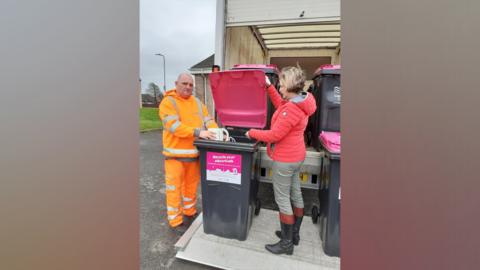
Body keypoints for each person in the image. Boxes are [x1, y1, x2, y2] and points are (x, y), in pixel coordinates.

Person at [246, 66, 316, 255]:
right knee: (295, 193)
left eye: (282, 85)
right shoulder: (300, 101)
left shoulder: (292, 109)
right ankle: (294, 235)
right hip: (296, 156)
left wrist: (251, 132)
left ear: (291, 87)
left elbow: (275, 135)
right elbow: (281, 105)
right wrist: (269, 87)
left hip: (285, 160)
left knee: (283, 199)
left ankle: (286, 245)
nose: (280, 87)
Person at [159, 72, 218, 233]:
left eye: (191, 84)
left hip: (193, 156)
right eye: (184, 83)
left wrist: (217, 132)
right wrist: (198, 132)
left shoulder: (197, 103)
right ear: (176, 83)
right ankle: (175, 221)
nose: (188, 87)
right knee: (174, 189)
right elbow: (174, 126)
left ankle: (189, 212)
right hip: (174, 157)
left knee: (191, 187)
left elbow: (208, 120)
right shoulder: (168, 102)